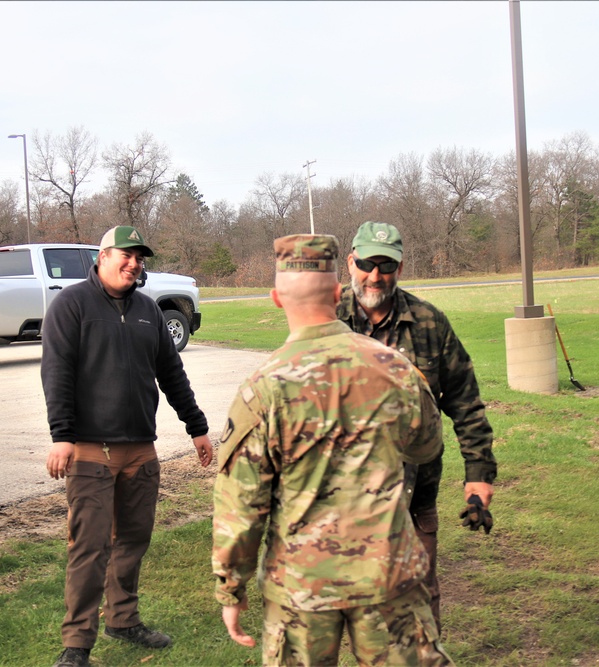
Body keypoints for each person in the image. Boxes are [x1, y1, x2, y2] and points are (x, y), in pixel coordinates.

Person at [212, 234, 454, 666]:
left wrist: (231, 587)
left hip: (301, 585)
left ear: (275, 299)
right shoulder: (395, 368)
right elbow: (427, 447)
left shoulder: (262, 390)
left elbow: (241, 504)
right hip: (389, 575)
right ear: (339, 293)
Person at [41, 225, 213, 667]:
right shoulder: (71, 305)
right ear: (102, 256)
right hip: (88, 451)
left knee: (133, 539)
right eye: (126, 254)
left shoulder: (148, 311)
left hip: (140, 450)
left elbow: (171, 374)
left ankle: (123, 618)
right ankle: (77, 643)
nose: (134, 264)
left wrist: (197, 426)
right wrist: (61, 436)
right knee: (89, 547)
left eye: (140, 258)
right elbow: (56, 373)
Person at [337, 221, 498, 634]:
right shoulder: (326, 318)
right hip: (342, 501)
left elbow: (464, 399)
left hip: (413, 496)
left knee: (419, 606)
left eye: (386, 265)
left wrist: (478, 475)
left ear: (400, 268)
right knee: (351, 611)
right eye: (368, 263)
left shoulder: (428, 323)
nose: (376, 275)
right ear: (350, 261)